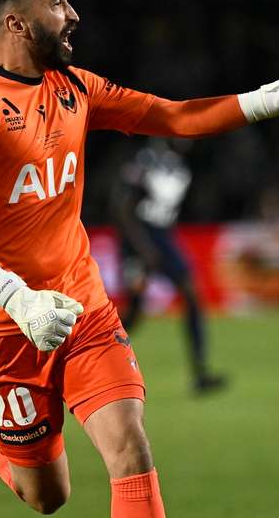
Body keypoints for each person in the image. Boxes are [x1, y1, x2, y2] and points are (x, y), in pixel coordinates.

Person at [0, 0, 279, 516]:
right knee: (46, 497)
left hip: (82, 306)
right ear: (17, 24)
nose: (73, 15)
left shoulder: (75, 87)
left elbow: (173, 118)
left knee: (131, 447)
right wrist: (17, 298)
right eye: (56, 4)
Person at [114, 139, 227, 394]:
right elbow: (123, 210)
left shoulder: (181, 167)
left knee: (191, 294)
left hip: (163, 237)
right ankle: (88, 354)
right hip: (139, 239)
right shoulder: (148, 159)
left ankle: (201, 373)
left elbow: (165, 210)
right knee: (133, 313)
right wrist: (143, 249)